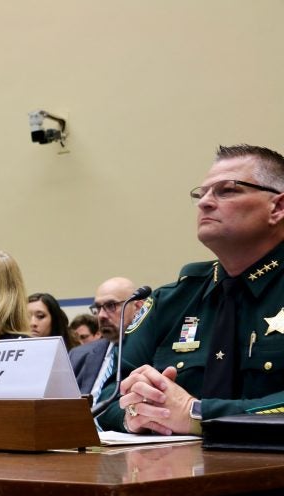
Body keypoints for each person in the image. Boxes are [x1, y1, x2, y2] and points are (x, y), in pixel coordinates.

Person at [97, 144, 284, 436]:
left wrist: (197, 414)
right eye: (202, 193)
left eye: (227, 190)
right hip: (173, 474)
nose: (205, 203)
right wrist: (134, 412)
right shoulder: (172, 300)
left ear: (278, 207)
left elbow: (188, 412)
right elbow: (109, 396)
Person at [69, 277, 144, 408]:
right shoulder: (78, 355)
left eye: (111, 306)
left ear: (137, 307)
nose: (101, 315)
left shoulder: (150, 352)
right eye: (98, 308)